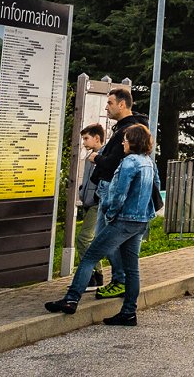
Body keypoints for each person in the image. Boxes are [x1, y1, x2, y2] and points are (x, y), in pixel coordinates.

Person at [45, 123, 160, 325]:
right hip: (140, 221)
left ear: (133, 141)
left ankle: (71, 300)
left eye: (126, 139)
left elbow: (119, 194)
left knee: (90, 257)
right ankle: (129, 312)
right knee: (132, 269)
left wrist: (111, 213)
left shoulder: (129, 163)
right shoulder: (148, 162)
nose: (123, 142)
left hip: (123, 221)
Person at [88, 86, 148, 298]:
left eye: (110, 103)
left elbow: (115, 162)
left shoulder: (127, 130)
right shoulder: (130, 126)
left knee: (105, 239)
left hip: (113, 189)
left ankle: (119, 281)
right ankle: (121, 283)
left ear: (122, 104)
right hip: (117, 192)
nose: (106, 107)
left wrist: (97, 158)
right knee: (113, 241)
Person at [73, 123, 108, 287]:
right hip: (88, 203)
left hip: (96, 204)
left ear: (97, 138)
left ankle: (91, 275)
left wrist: (95, 197)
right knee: (90, 240)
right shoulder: (90, 156)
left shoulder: (104, 156)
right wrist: (82, 192)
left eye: (86, 138)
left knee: (83, 239)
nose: (84, 142)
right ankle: (96, 274)